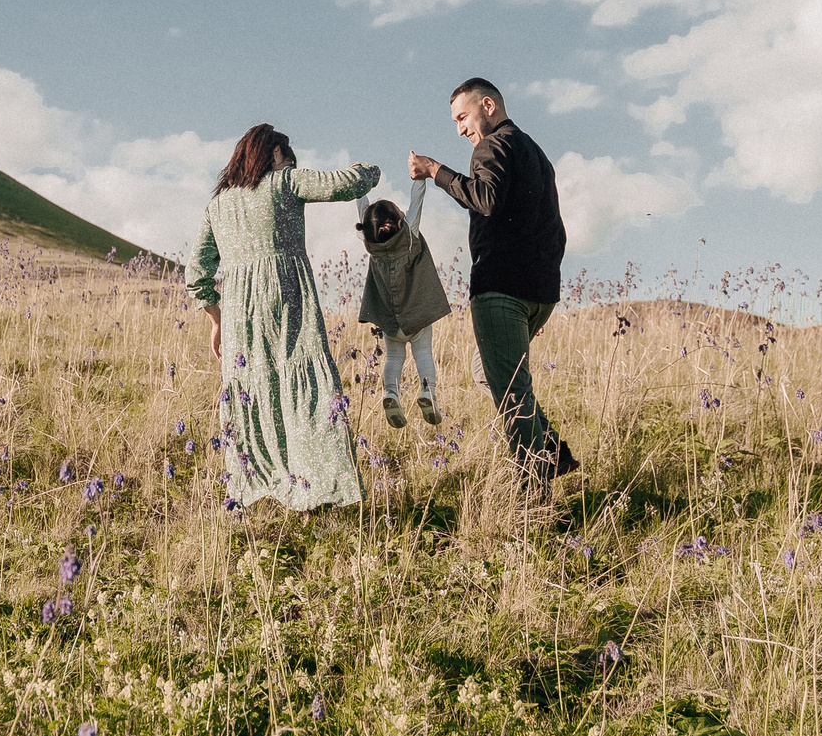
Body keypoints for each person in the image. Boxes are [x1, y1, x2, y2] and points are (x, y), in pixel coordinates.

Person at [188, 124, 380, 513]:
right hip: (288, 300)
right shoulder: (285, 183)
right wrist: (370, 170)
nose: (291, 164)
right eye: (289, 158)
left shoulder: (218, 205)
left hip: (241, 315)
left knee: (253, 393)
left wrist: (217, 320)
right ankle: (317, 490)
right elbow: (346, 183)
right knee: (305, 389)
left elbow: (196, 273)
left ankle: (256, 489)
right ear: (276, 154)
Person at [408, 79, 578, 487]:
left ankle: (532, 498)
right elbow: (558, 231)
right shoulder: (535, 152)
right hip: (540, 294)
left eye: (462, 117)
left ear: (488, 105)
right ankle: (553, 452)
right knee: (486, 371)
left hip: (502, 290)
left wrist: (435, 171)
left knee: (512, 395)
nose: (460, 130)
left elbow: (485, 199)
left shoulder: (492, 146)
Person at [354, 179, 449, 429]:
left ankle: (391, 394)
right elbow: (417, 202)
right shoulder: (409, 236)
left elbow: (362, 209)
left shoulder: (370, 244)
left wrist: (358, 185)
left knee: (394, 357)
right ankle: (428, 392)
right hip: (416, 317)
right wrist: (418, 178)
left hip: (390, 322)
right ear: (399, 222)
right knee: (423, 354)